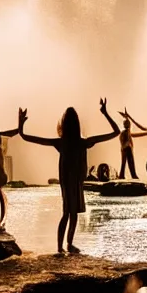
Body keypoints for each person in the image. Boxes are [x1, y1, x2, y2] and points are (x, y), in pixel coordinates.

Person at [18, 100, 120, 253]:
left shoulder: (61, 142)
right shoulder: (83, 142)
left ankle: (63, 245)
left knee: (68, 213)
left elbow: (26, 137)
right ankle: (66, 245)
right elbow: (116, 132)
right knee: (71, 214)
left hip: (67, 182)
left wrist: (21, 124)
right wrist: (105, 113)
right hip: (76, 181)